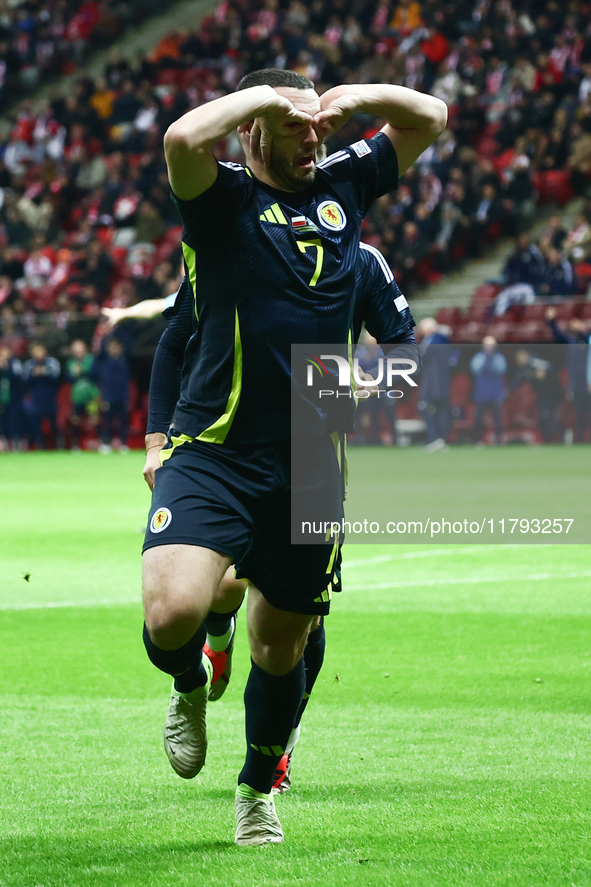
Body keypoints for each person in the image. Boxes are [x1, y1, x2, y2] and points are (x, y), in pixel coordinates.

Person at [142, 67, 445, 846]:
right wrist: (267, 103)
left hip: (310, 462)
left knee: (282, 643)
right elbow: (182, 136)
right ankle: (187, 686)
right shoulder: (224, 201)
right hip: (213, 446)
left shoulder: (343, 186)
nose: (315, 141)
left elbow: (432, 118)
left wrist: (356, 99)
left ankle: (255, 787)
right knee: (172, 613)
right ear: (255, 132)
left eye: (319, 129)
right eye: (296, 129)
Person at [143, 241, 419, 791]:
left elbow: (405, 357)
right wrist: (155, 442)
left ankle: (275, 756)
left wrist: (366, 380)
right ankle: (199, 668)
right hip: (218, 457)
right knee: (209, 595)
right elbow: (176, 338)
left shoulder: (360, 260)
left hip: (310, 467)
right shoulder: (236, 239)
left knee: (296, 621)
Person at [21, 342, 61, 449]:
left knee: (54, 424)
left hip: (50, 398)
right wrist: (34, 374)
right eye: (35, 351)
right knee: (36, 425)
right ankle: (40, 446)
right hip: (35, 399)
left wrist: (44, 373)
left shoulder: (52, 363)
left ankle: (58, 446)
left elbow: (56, 378)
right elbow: (24, 381)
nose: (38, 354)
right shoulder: (29, 365)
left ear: (44, 351)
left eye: (40, 351)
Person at [470, 336, 507, 445]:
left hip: (495, 392)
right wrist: (486, 358)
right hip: (481, 392)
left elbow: (501, 370)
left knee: (497, 418)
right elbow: (475, 369)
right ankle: (477, 440)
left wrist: (491, 359)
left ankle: (499, 441)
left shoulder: (499, 358)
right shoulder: (479, 357)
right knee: (478, 417)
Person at [65, 339, 99, 450]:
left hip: (91, 396)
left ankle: (99, 443)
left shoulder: (91, 360)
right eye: (75, 350)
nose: (78, 353)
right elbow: (68, 378)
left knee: (94, 419)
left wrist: (82, 371)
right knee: (76, 420)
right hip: (77, 397)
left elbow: (95, 375)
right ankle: (76, 446)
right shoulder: (70, 362)